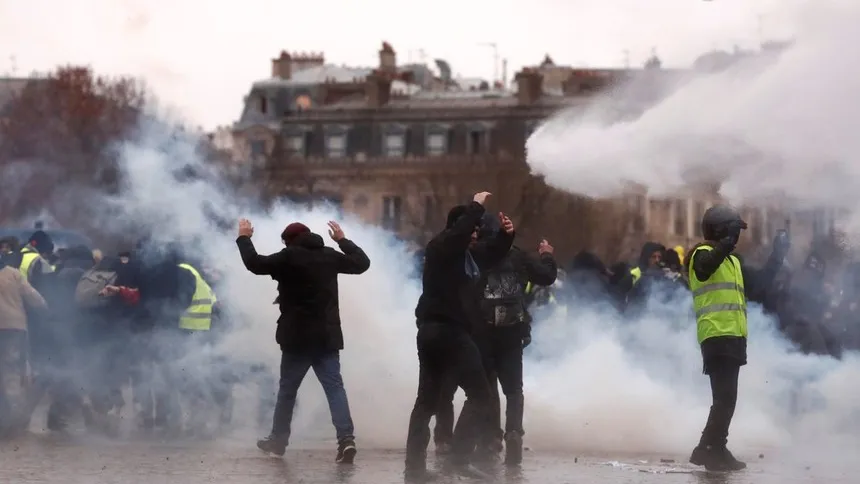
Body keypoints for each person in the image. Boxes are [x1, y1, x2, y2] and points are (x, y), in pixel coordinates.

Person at [236, 218, 370, 464]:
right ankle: (346, 440)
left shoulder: (288, 257)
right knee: (334, 388)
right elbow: (363, 264)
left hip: (297, 337)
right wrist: (342, 240)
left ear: (289, 241)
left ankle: (278, 441)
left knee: (287, 391)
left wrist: (244, 237)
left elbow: (255, 264)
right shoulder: (329, 255)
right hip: (327, 337)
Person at [405, 192, 515, 480]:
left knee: (431, 401)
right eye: (472, 229)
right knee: (478, 395)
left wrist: (506, 236)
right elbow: (458, 237)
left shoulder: (466, 255)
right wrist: (476, 206)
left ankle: (420, 468)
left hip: (447, 331)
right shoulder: (441, 247)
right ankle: (453, 459)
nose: (476, 235)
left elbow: (491, 254)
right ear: (459, 227)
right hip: (444, 331)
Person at [686, 205, 789, 471]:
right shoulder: (702, 254)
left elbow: (758, 285)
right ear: (721, 231)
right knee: (725, 398)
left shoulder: (732, 262)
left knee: (726, 398)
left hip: (732, 335)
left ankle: (715, 447)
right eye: (734, 231)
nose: (738, 237)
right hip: (716, 333)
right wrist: (726, 242)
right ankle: (707, 448)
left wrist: (777, 256)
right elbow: (705, 269)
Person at [0, 251, 49, 436]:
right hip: (14, 329)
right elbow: (34, 297)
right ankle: (15, 422)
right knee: (11, 373)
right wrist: (45, 309)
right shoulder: (13, 273)